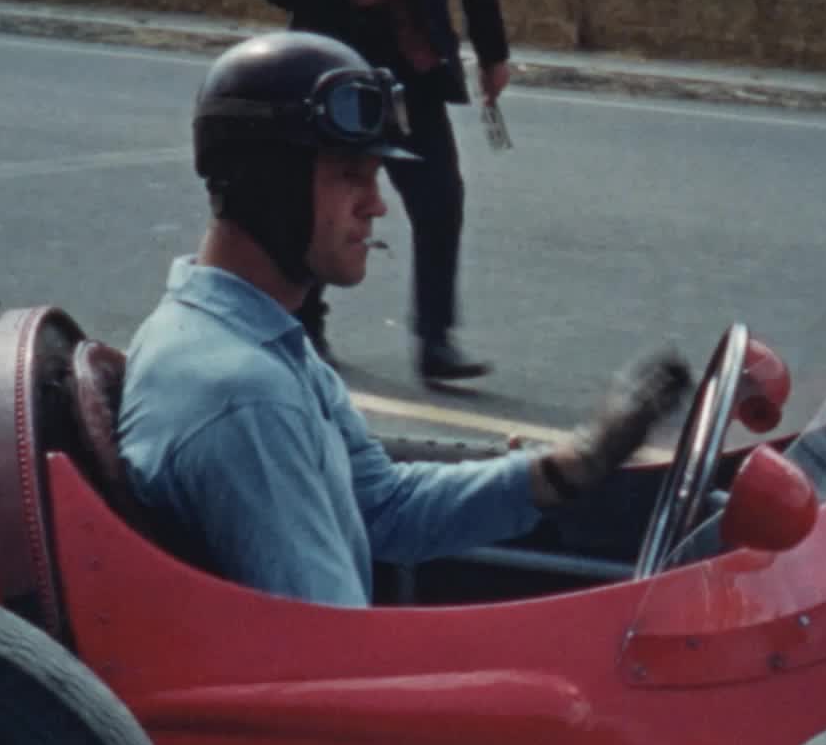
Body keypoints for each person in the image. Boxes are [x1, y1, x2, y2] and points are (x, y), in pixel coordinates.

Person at [116, 32, 691, 608]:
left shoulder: (241, 334)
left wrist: (572, 465)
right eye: (350, 175)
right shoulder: (245, 397)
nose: (377, 203)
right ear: (268, 181)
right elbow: (327, 652)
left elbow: (385, 507)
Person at [255, 0, 510, 381]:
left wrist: (493, 54)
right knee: (323, 199)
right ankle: (309, 325)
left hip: (413, 65)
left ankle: (435, 339)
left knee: (440, 197)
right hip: (336, 68)